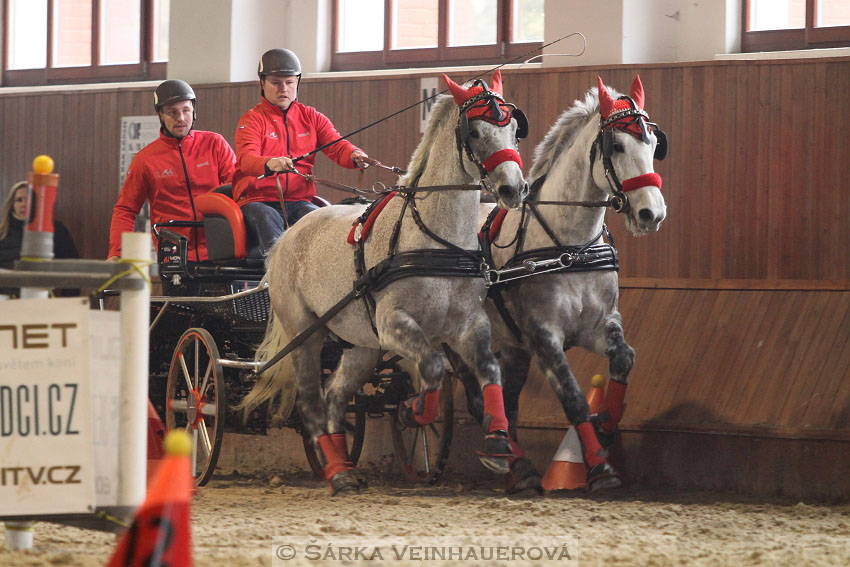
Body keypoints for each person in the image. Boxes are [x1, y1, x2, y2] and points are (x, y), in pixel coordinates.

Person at [232, 48, 370, 257]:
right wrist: (270, 163)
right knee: (268, 217)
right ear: (262, 83)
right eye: (276, 83)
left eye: (289, 82)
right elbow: (246, 159)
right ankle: (276, 279)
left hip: (299, 201)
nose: (283, 89)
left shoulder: (311, 117)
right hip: (258, 201)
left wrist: (355, 155)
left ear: (298, 83)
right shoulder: (252, 120)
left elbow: (336, 144)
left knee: (320, 219)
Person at [108, 79, 236, 272]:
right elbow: (125, 209)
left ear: (194, 110)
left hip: (220, 247)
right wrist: (116, 253)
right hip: (174, 252)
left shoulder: (215, 144)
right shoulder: (145, 160)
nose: (181, 118)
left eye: (186, 110)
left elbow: (238, 190)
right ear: (160, 115)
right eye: (172, 113)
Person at [0, 181, 80, 297]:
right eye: (19, 200)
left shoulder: (55, 229)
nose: (24, 204)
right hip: (5, 297)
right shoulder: (2, 231)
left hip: (41, 295)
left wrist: (67, 302)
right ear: (12, 204)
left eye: (29, 200)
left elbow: (73, 267)